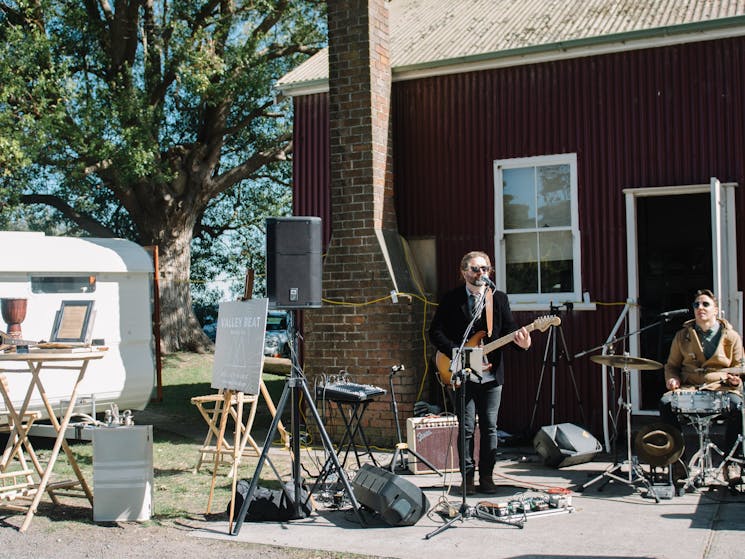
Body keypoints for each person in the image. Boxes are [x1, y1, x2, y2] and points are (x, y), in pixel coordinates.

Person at [429, 251, 532, 494]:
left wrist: (523, 344)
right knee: (465, 428)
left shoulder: (499, 299)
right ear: (463, 272)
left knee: (489, 427)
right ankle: (467, 478)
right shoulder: (452, 299)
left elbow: (510, 331)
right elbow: (435, 332)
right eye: (476, 269)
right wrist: (458, 353)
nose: (481, 273)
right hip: (462, 371)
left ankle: (487, 476)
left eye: (485, 269)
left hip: (491, 374)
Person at [660, 289, 744, 485]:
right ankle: (677, 462)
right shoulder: (682, 336)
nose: (700, 308)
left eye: (705, 304)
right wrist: (672, 380)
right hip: (691, 387)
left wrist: (736, 380)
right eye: (696, 305)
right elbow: (671, 366)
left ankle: (732, 464)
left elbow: (741, 366)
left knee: (738, 407)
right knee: (665, 403)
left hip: (721, 388)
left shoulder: (731, 337)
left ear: (716, 310)